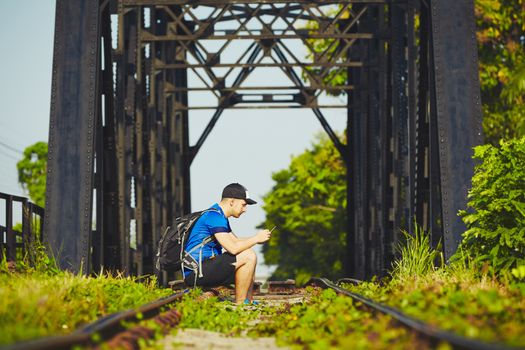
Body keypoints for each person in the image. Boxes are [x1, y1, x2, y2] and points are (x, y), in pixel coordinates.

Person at [183, 183, 272, 304]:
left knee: (249, 253)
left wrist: (256, 239)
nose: (245, 209)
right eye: (244, 205)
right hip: (195, 272)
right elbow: (233, 248)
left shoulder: (219, 216)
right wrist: (256, 239)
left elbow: (235, 241)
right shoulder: (214, 217)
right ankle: (241, 302)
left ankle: (248, 300)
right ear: (231, 202)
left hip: (204, 268)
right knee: (248, 255)